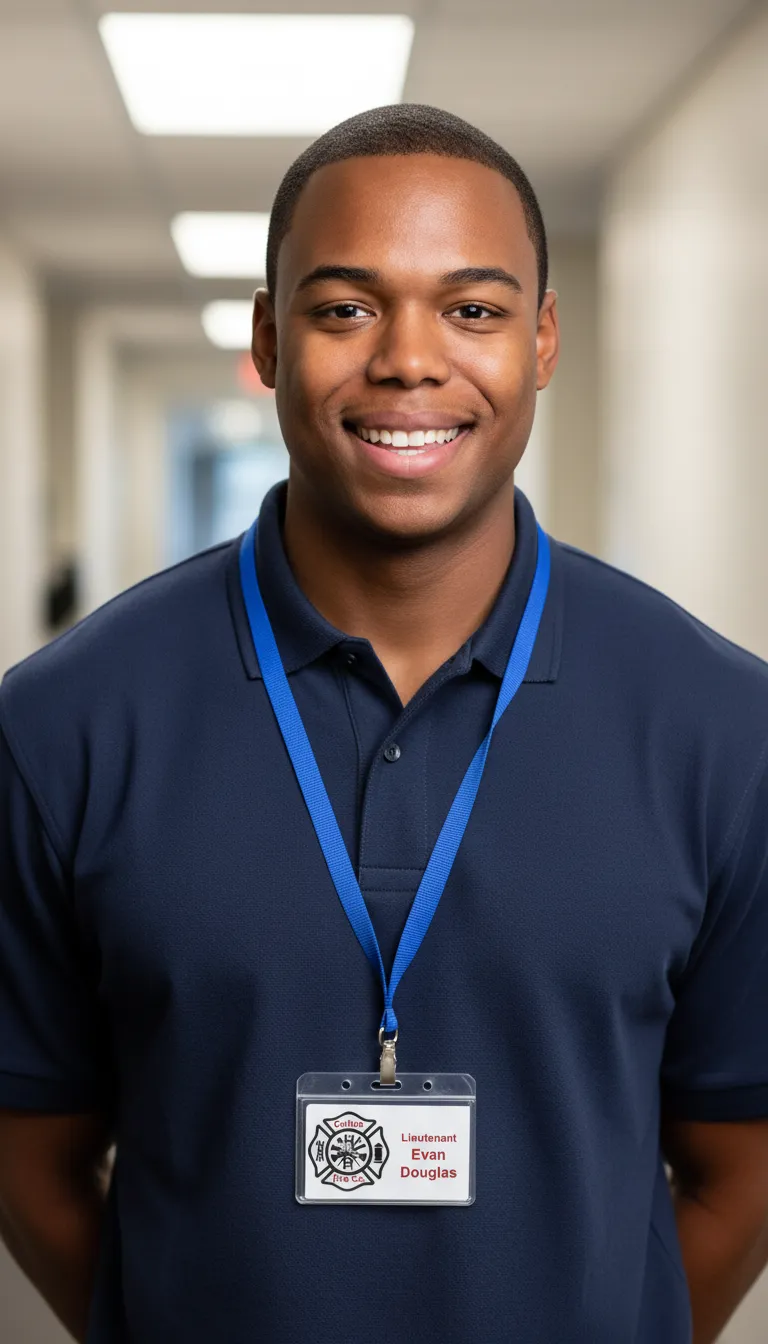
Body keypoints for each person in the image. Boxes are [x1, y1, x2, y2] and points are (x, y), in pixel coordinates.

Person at [1, 103, 768, 1344]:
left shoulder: (724, 730)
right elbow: (30, 1153)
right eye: (345, 307)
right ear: (266, 338)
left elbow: (742, 1167)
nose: (411, 360)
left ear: (544, 339)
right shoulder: (65, 724)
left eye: (473, 309)